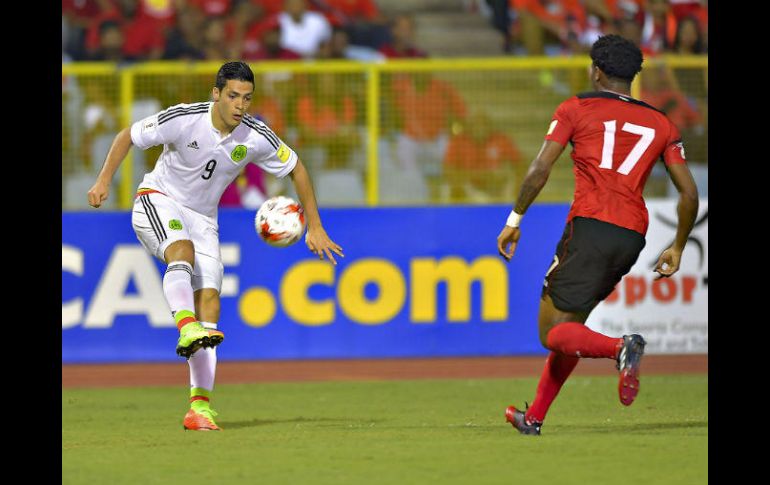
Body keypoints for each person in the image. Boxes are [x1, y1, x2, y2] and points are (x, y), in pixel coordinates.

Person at [87, 61, 344, 431]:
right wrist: (103, 181)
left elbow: (297, 168)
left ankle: (199, 408)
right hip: (157, 198)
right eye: (234, 96)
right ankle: (184, 324)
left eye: (248, 98)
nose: (241, 105)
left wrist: (315, 226)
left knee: (210, 305)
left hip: (204, 219)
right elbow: (128, 134)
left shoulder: (255, 136)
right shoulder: (185, 118)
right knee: (182, 253)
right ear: (216, 94)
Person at [496, 35, 698, 435]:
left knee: (551, 332)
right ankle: (534, 417)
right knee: (574, 326)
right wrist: (677, 245)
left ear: (597, 71)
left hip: (590, 225)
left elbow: (539, 170)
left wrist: (515, 219)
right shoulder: (662, 123)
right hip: (632, 236)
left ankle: (621, 347)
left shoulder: (576, 107)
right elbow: (689, 193)